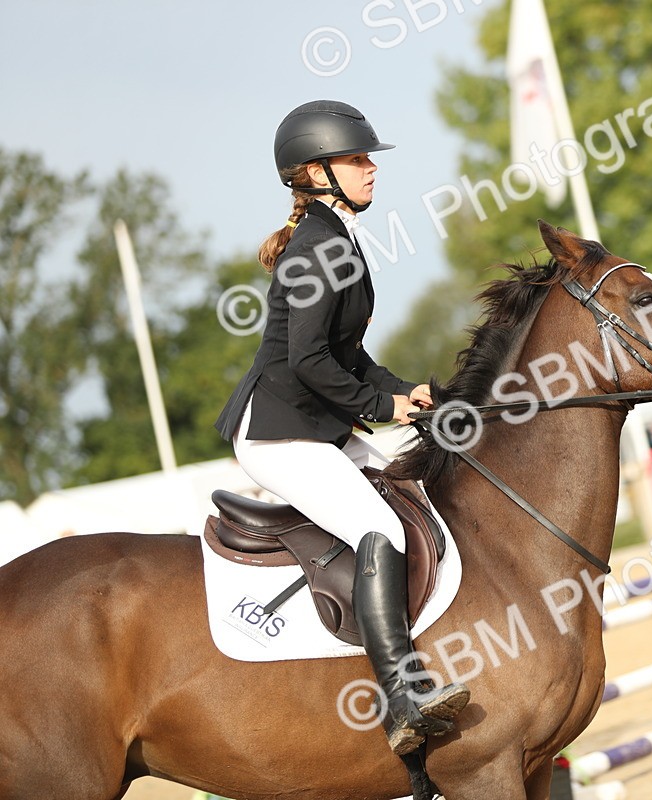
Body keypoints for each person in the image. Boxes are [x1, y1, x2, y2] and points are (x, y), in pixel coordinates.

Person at [213, 100, 468, 757]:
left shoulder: (336, 236)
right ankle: (402, 697)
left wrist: (405, 391)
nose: (370, 169)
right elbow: (308, 361)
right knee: (379, 526)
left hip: (313, 424)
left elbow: (350, 359)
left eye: (367, 158)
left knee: (406, 496)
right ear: (314, 173)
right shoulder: (315, 246)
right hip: (278, 433)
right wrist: (382, 408)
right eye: (356, 159)